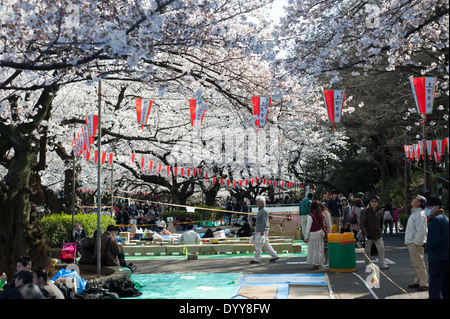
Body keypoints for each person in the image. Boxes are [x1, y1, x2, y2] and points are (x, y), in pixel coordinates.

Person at [423, 195, 449, 299]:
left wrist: (424, 246)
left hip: (437, 259)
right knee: (446, 288)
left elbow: (433, 241)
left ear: (437, 207)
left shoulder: (435, 221)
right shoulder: (445, 218)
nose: (426, 209)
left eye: (429, 207)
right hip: (446, 257)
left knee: (435, 289)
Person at [404, 195, 428, 291]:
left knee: (418, 264)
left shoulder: (420, 214)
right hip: (412, 242)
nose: (412, 199)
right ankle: (417, 281)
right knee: (414, 263)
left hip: (415, 243)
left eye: (415, 199)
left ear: (419, 203)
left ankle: (424, 283)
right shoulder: (416, 213)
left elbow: (421, 230)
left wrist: (417, 242)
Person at [360, 195, 389, 270]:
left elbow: (381, 223)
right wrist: (364, 233)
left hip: (377, 234)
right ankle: (367, 264)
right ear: (369, 202)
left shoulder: (379, 212)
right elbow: (362, 224)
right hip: (368, 234)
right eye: (372, 201)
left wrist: (380, 230)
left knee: (381, 248)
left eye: (375, 201)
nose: (374, 203)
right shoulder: (365, 211)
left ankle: (382, 263)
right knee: (367, 250)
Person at [250, 196, 279, 264]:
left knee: (258, 244)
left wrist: (262, 230)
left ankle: (256, 259)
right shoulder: (261, 210)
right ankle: (274, 255)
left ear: (261, 203)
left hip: (262, 230)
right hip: (262, 230)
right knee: (266, 244)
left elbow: (264, 221)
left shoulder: (263, 210)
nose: (256, 203)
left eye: (257, 201)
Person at [304, 201, 327, 270]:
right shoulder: (322, 214)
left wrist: (306, 236)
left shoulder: (311, 216)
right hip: (320, 233)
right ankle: (319, 263)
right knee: (319, 249)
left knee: (314, 250)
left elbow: (308, 227)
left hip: (313, 234)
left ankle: (316, 264)